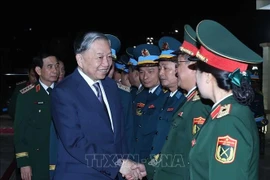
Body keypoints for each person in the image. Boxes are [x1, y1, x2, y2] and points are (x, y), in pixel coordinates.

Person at [50, 31, 146, 180]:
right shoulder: (64, 92)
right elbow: (75, 142)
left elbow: (119, 135)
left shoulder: (110, 86)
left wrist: (128, 166)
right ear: (80, 59)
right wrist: (117, 164)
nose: (106, 63)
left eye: (109, 57)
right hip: (81, 175)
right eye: (100, 57)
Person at [131, 24, 212, 180]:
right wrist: (148, 167)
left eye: (176, 66)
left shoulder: (200, 105)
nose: (175, 72)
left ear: (193, 67)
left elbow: (193, 157)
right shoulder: (181, 100)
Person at [189, 19, 263, 180]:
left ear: (208, 77)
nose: (195, 76)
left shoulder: (228, 122)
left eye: (197, 71)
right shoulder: (225, 112)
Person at [13, 52, 59, 180]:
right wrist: (24, 162)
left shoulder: (64, 93)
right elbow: (20, 132)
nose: (55, 70)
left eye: (56, 66)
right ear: (38, 70)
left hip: (61, 160)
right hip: (38, 161)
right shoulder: (27, 96)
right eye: (50, 66)